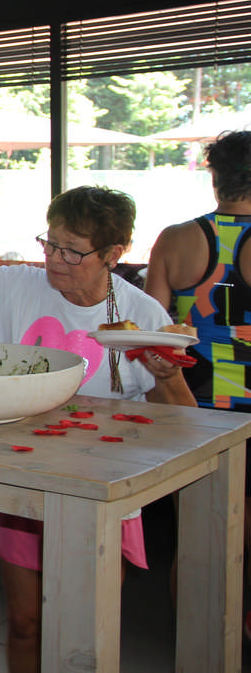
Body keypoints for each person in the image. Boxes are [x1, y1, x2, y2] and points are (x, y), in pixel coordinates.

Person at [0, 184, 195, 673]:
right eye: (50, 243)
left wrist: (166, 376)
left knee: (84, 627)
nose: (55, 260)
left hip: (100, 492)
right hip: (25, 480)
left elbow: (184, 422)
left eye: (72, 251)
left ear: (113, 254)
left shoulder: (142, 315)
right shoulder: (20, 285)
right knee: (25, 622)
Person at [144, 129, 251, 630]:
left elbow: (151, 331)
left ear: (215, 177)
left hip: (190, 405)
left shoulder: (175, 239)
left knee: (197, 532)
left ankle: (193, 639)